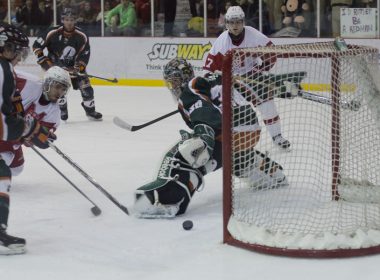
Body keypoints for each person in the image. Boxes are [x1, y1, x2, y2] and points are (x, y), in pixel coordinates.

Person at [132, 58, 287, 218]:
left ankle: (167, 200)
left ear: (185, 77)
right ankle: (273, 174)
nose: (174, 86)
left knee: (181, 156)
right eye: (170, 82)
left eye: (176, 80)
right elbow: (250, 89)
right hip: (251, 129)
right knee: (229, 159)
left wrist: (202, 133)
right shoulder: (213, 79)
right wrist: (281, 87)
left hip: (229, 128)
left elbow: (203, 111)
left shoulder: (190, 89)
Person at [203, 6, 291, 150]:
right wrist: (221, 79)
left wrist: (258, 70)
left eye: (238, 22)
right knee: (234, 111)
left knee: (267, 104)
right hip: (231, 82)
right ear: (226, 23)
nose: (235, 25)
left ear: (243, 22)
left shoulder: (253, 35)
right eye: (231, 22)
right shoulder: (222, 41)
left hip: (252, 77)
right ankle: (232, 140)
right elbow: (209, 69)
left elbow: (272, 54)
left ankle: (277, 137)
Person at [32, 7, 103, 121]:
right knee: (58, 88)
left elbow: (84, 53)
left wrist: (79, 67)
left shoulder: (82, 35)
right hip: (55, 67)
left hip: (72, 66)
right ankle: (62, 109)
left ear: (75, 20)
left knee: (86, 88)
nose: (69, 22)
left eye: (72, 19)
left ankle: (90, 110)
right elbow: (36, 46)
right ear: (62, 20)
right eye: (67, 19)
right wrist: (45, 61)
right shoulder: (52, 32)